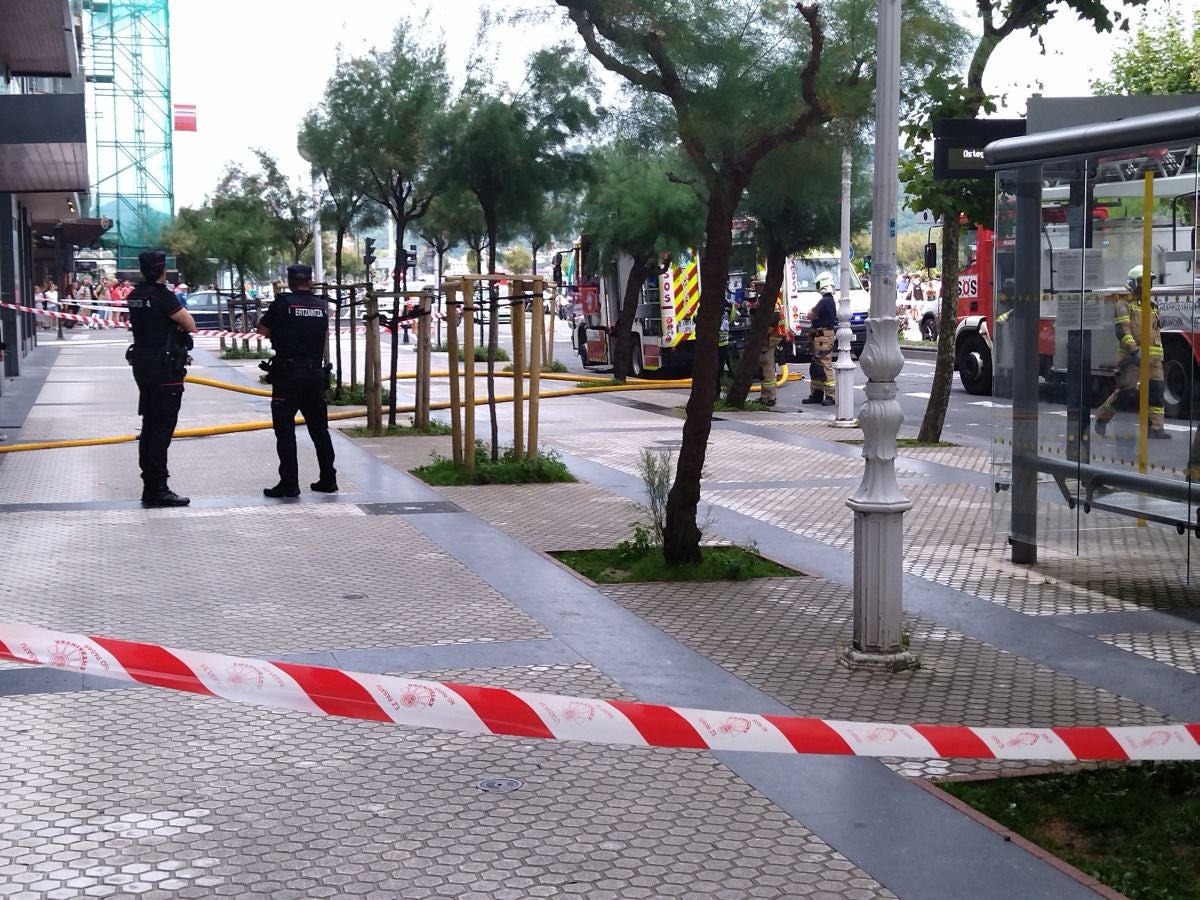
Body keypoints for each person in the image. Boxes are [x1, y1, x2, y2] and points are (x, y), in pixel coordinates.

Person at [257, 263, 337, 498]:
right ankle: (328, 479)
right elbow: (323, 335)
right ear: (310, 281)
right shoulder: (321, 306)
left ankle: (289, 483)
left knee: (285, 430)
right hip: (315, 374)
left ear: (290, 281)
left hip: (289, 375)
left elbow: (262, 330)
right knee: (319, 429)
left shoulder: (283, 304)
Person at [125, 250, 197, 507]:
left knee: (150, 426)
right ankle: (158, 488)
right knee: (161, 429)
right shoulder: (163, 297)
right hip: (164, 369)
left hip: (142, 366)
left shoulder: (135, 295)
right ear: (163, 270)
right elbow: (190, 325)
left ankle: (150, 485)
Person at [1094, 264, 1170, 440]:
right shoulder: (1123, 304)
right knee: (1125, 393)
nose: (1146, 286)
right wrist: (1134, 352)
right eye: (1143, 282)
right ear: (1133, 283)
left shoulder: (1152, 306)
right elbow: (1123, 331)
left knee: (1156, 392)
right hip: (1131, 358)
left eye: (1149, 282)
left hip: (1154, 359)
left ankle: (1156, 428)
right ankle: (1102, 418)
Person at [803, 271, 838, 406]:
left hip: (824, 337)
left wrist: (812, 313)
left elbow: (811, 315)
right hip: (820, 337)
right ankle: (816, 394)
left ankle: (831, 396)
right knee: (816, 366)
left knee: (824, 365)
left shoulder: (825, 301)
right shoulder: (828, 301)